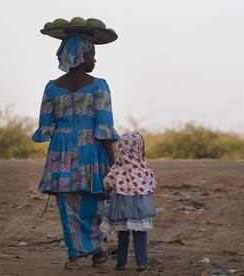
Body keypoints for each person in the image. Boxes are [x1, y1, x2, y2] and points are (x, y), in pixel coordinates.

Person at [32, 35, 119, 270]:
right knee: (94, 201)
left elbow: (46, 125)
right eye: (92, 54)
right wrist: (113, 161)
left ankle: (74, 257)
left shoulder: (51, 87)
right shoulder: (99, 85)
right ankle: (96, 250)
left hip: (61, 150)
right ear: (81, 57)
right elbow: (104, 127)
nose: (95, 60)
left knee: (67, 205)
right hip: (90, 149)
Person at [100, 131, 156, 272]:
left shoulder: (118, 169)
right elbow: (152, 185)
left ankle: (121, 263)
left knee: (123, 235)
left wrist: (105, 183)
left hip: (122, 206)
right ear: (140, 148)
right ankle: (142, 263)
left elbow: (107, 184)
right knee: (141, 235)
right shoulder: (145, 167)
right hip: (141, 206)